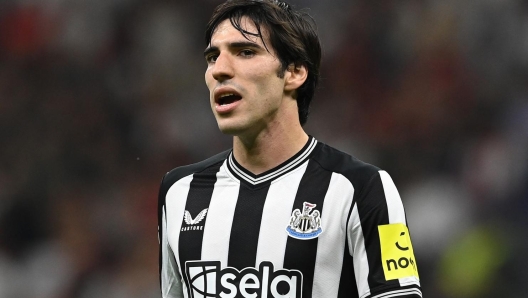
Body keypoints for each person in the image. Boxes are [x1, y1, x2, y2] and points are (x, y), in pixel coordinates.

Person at [158, 0, 422, 297]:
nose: (219, 70)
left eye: (245, 52)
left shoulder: (364, 189)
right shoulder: (179, 191)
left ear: (295, 72)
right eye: (212, 57)